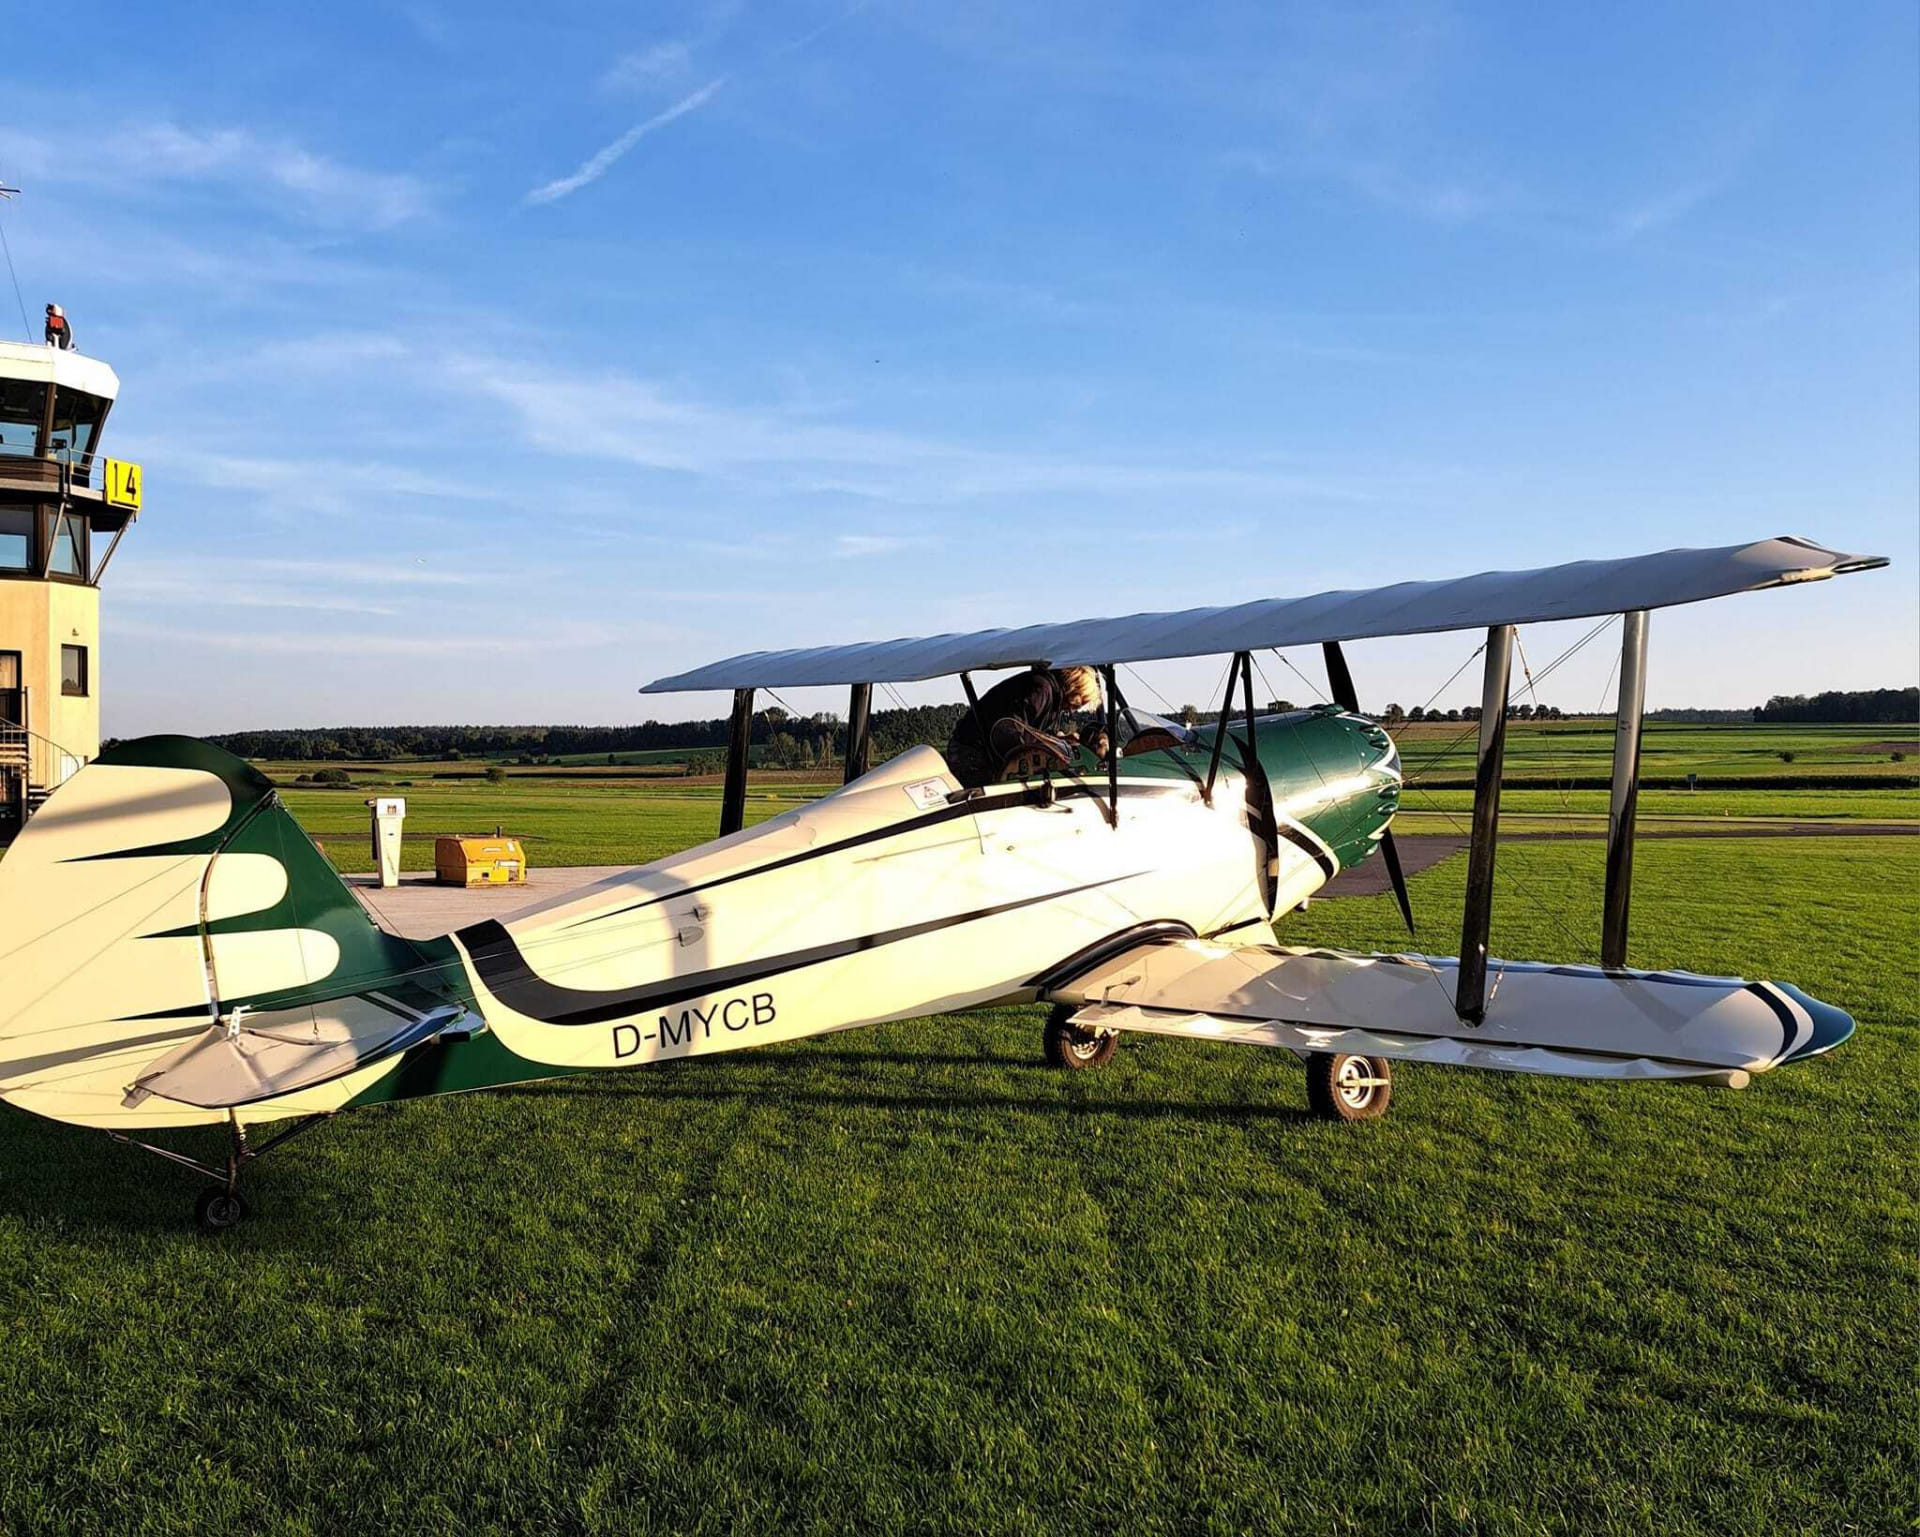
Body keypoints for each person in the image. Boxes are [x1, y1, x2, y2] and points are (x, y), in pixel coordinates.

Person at [946, 664, 1101, 788]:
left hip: (976, 749)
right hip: (972, 753)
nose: (1074, 709)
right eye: (1079, 703)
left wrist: (1057, 741)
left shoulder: (1049, 693)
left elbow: (1029, 733)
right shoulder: (1041, 690)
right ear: (1075, 688)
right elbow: (1009, 731)